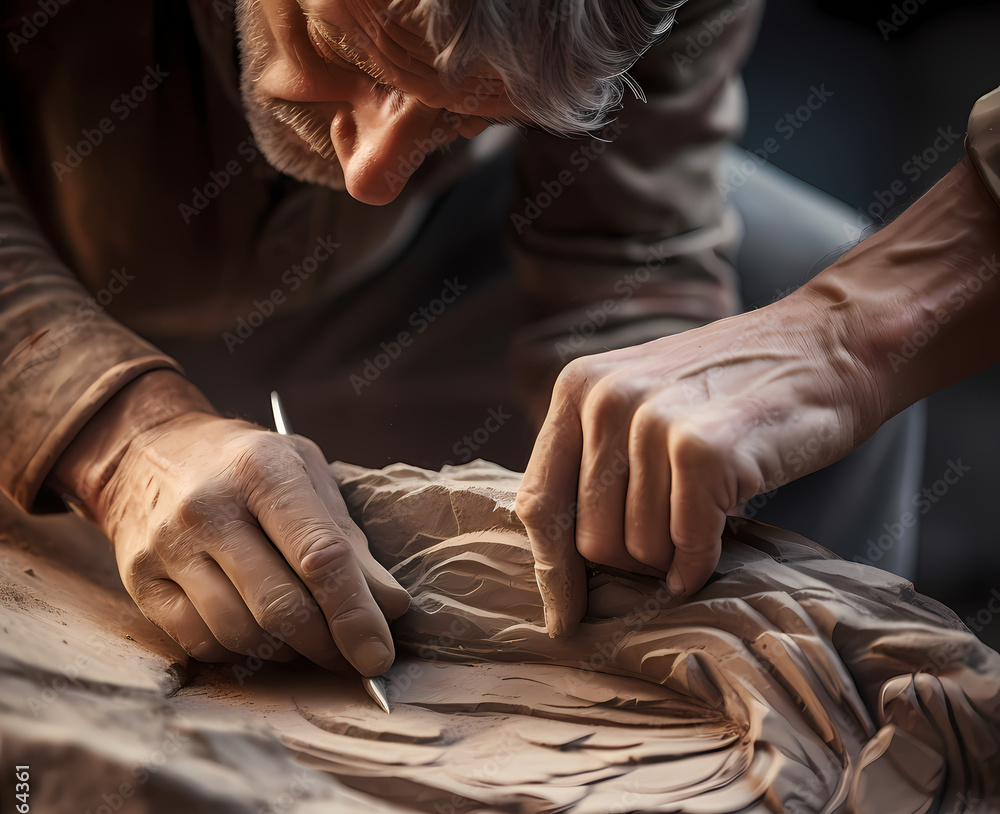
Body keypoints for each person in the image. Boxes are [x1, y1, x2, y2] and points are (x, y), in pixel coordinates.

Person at [0, 0, 958, 674]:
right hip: (50, 247)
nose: (374, 168)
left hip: (421, 261)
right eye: (344, 48)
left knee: (797, 289)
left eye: (459, 109)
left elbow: (625, 240)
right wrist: (114, 435)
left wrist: (643, 474)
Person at [516, 85, 1000, 635]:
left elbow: (634, 197)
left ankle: (834, 660)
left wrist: (843, 336)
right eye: (389, 78)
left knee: (823, 265)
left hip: (543, 140)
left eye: (447, 108)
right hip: (459, 191)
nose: (389, 168)